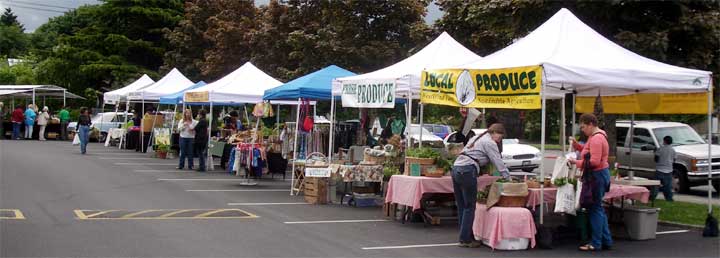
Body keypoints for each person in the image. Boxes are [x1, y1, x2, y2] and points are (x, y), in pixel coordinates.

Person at [451, 123, 510, 248]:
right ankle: (465, 239)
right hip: (467, 170)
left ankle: (465, 236)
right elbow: (498, 161)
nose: (499, 140)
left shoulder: (477, 138)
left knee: (462, 205)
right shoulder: (489, 143)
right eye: (499, 138)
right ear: (494, 133)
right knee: (469, 206)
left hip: (456, 168)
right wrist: (508, 178)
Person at [568, 113, 612, 252]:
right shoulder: (596, 136)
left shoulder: (596, 139)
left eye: (583, 127)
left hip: (596, 176)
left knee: (595, 210)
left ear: (591, 124)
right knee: (598, 209)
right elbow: (589, 153)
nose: (582, 130)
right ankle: (606, 240)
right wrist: (578, 146)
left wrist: (576, 162)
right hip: (599, 175)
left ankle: (596, 243)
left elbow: (593, 161)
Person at [653, 136, 675, 202]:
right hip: (669, 170)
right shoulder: (673, 150)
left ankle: (652, 197)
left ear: (664, 141)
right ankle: (669, 199)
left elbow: (656, 159)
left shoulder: (660, 149)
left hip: (660, 169)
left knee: (656, 185)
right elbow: (674, 159)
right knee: (667, 186)